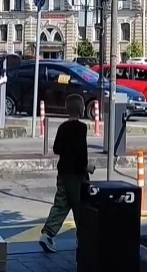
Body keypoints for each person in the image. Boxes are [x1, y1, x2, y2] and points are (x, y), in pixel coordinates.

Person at [39, 95, 94, 253]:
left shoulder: (62, 127)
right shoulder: (81, 128)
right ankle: (83, 239)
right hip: (77, 175)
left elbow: (56, 148)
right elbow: (81, 152)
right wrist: (86, 167)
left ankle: (47, 234)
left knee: (61, 204)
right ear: (81, 109)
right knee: (81, 206)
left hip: (62, 172)